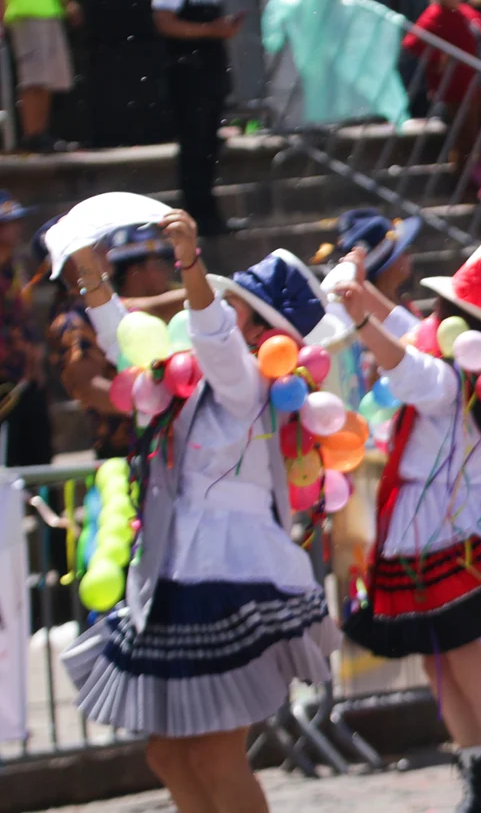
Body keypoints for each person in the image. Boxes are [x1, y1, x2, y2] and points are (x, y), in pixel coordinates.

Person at [61, 222, 339, 813]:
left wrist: (190, 263)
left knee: (213, 754)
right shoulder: (197, 384)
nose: (212, 310)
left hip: (231, 579)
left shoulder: (247, 386)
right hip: (181, 572)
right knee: (169, 753)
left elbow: (214, 341)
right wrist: (92, 275)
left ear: (263, 332)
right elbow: (123, 341)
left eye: (232, 304)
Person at [336, 242, 481, 813]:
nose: (431, 317)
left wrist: (360, 311)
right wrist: (363, 295)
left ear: (467, 326)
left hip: (466, 533)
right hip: (432, 528)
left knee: (472, 667)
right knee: (440, 662)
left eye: (443, 309)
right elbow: (406, 333)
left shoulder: (452, 378)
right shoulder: (465, 364)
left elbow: (406, 364)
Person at [45, 224, 183, 460]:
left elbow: (155, 307)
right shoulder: (71, 321)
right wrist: (150, 403)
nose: (106, 252)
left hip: (157, 437)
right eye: (94, 248)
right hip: (122, 449)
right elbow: (88, 388)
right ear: (69, 261)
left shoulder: (117, 305)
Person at [151, 0, 239, 237]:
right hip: (187, 75)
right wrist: (208, 30)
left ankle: (210, 215)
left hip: (210, 74)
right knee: (194, 146)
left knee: (209, 147)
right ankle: (194, 216)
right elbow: (164, 21)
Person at [5, 0, 78, 153]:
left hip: (48, 10)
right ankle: (32, 135)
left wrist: (67, 1)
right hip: (24, 10)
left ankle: (42, 134)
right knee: (34, 78)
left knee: (48, 78)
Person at [0, 194, 49, 466]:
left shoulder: (15, 267)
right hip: (4, 379)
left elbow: (23, 315)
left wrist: (35, 357)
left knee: (37, 455)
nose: (17, 227)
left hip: (26, 378)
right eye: (9, 222)